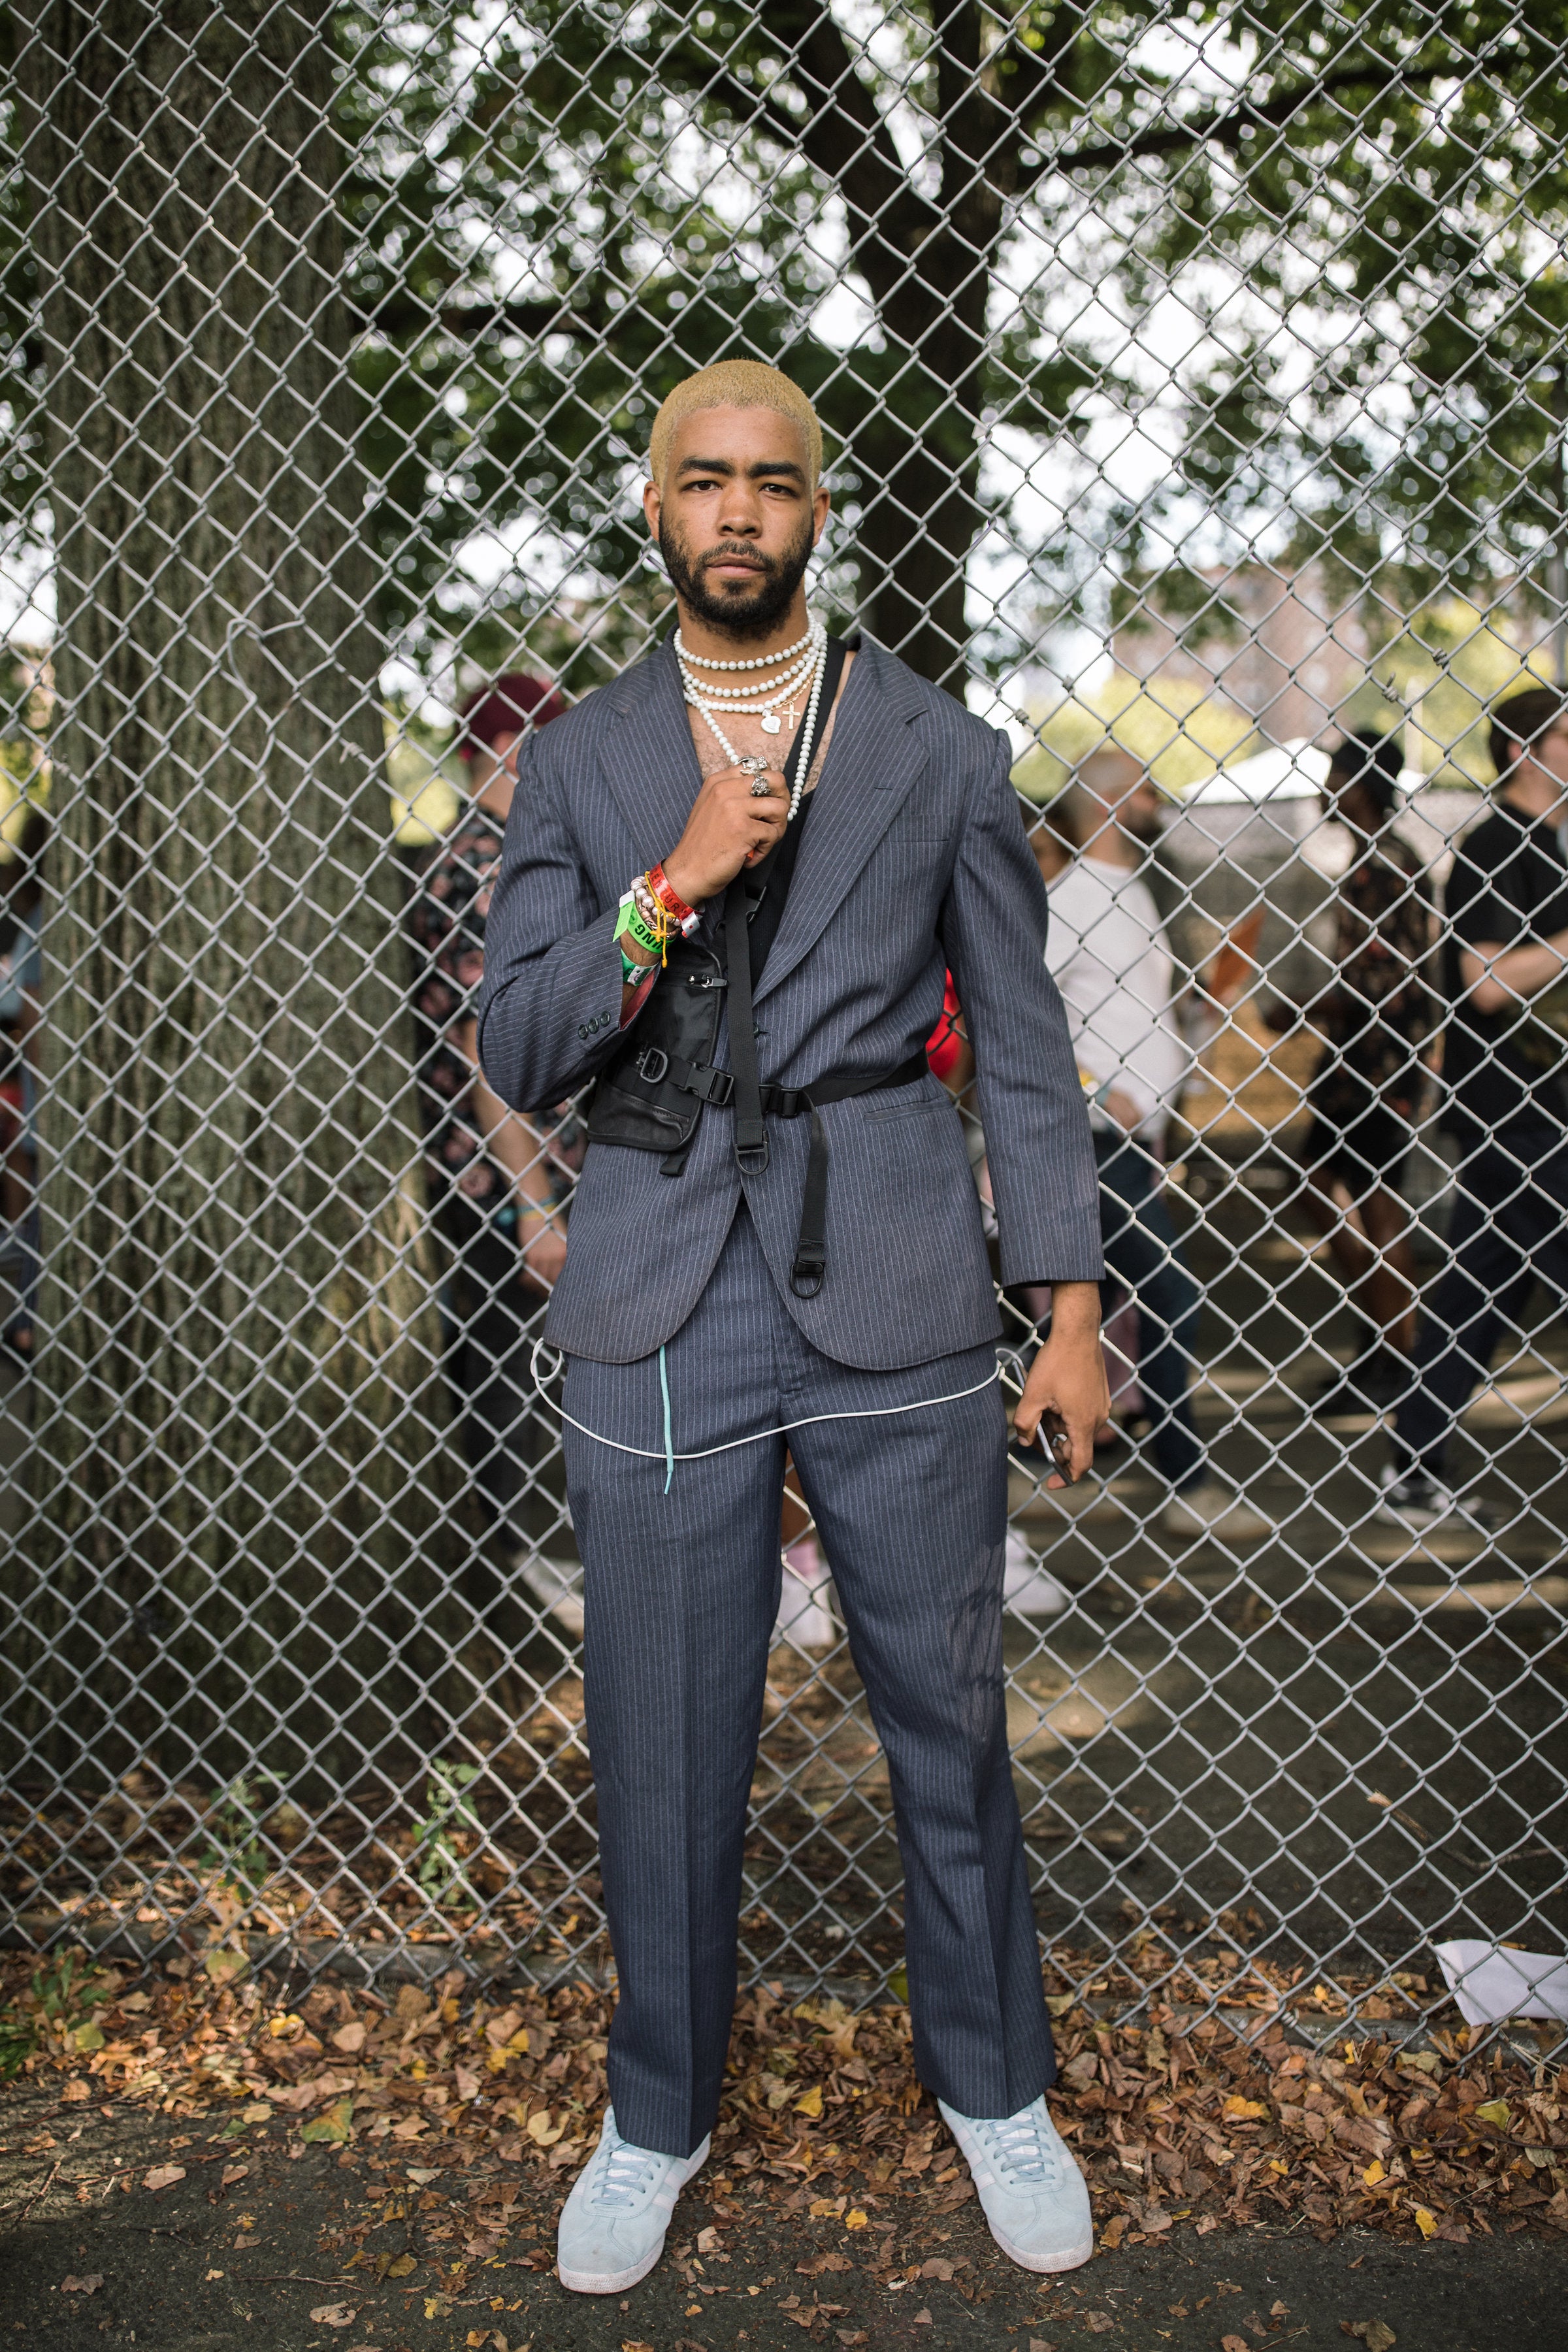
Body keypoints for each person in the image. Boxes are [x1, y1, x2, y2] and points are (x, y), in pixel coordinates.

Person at [478, 359, 1109, 2291]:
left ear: (817, 511)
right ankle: (653, 2113)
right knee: (662, 1730)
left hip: (897, 1268)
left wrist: (1067, 1311)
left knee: (944, 1709)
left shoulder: (936, 749)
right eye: (702, 480)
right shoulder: (578, 765)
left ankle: (994, 2084)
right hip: (659, 1283)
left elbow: (1023, 1056)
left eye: (770, 481)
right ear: (653, 508)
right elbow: (520, 1040)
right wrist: (669, 882)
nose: (737, 510)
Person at [1043, 753, 1269, 1543]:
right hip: (1094, 1141)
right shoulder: (1070, 899)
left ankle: (1052, 1453)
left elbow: (1134, 1013)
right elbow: (1019, 1017)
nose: (1157, 799)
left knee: (1099, 1304)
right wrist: (1094, 1089)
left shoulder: (1133, 890)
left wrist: (1201, 1008)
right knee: (1170, 1296)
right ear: (1109, 803)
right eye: (1144, 788)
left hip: (1138, 1143)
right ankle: (1186, 1484)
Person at [406, 673, 585, 1627]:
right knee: (510, 1372)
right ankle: (519, 1558)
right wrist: (534, 1202)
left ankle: (515, 1554)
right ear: (513, 749)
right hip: (502, 1173)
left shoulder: (486, 854)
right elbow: (489, 1052)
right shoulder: (485, 868)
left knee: (509, 1365)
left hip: (514, 1166)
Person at [1379, 685, 1568, 1529]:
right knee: (1478, 1292)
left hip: (1534, 1111)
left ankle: (1413, 1471)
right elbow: (1485, 980)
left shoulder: (1552, 845)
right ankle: (1412, 1471)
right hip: (1516, 1114)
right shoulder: (1499, 844)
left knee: (1474, 1296)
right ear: (1525, 751)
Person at [1267, 729, 1437, 1410]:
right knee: (1317, 1182)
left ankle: (1399, 1355)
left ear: (1361, 783)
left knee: (1374, 1201)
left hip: (1381, 1063)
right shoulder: (1371, 859)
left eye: (1335, 774)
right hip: (1354, 1060)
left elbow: (1387, 983)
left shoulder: (1387, 865)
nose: (1324, 789)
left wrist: (1304, 1007)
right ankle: (1382, 1337)